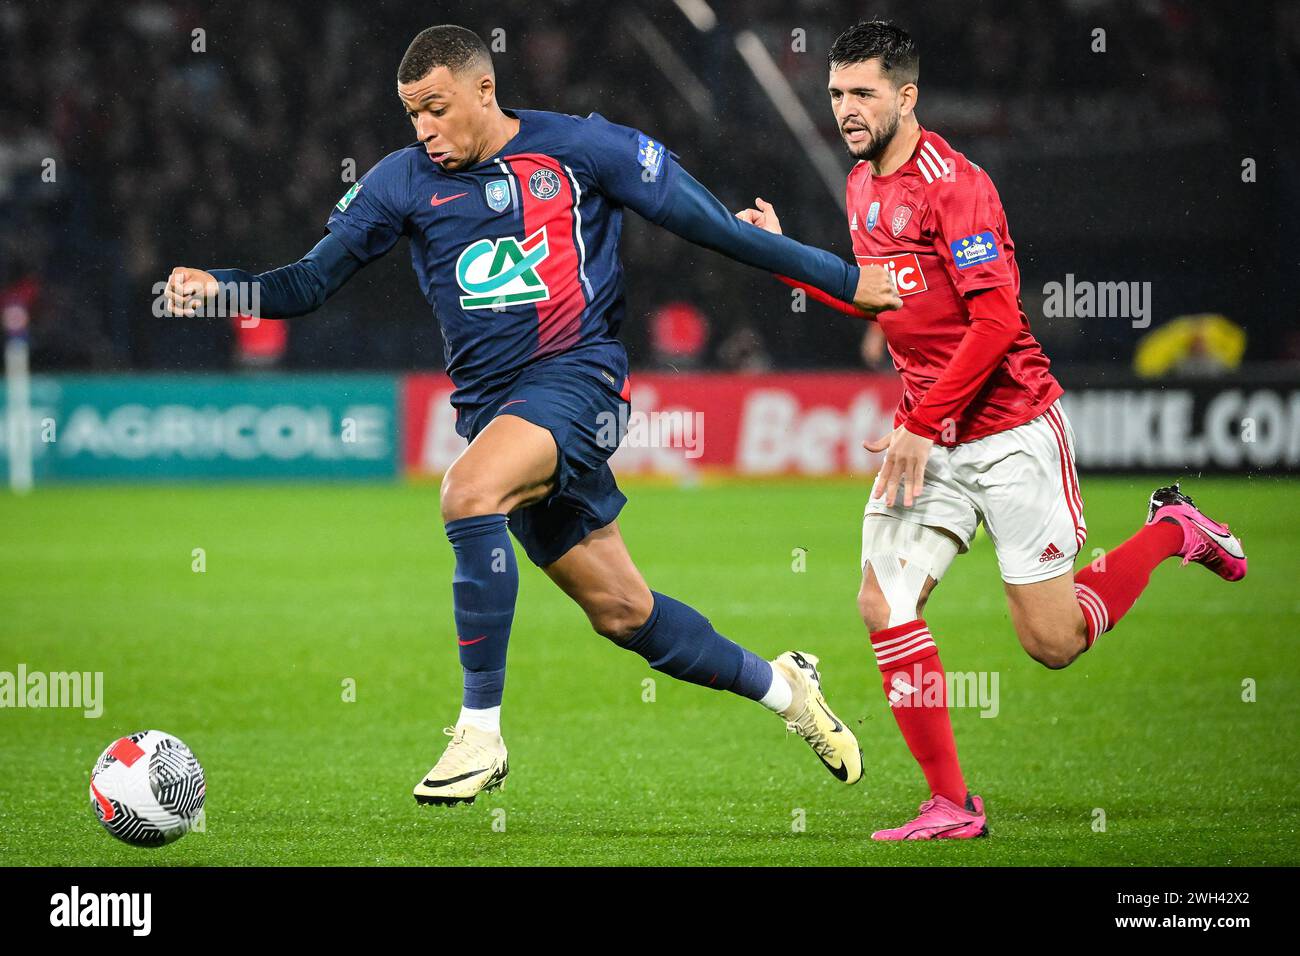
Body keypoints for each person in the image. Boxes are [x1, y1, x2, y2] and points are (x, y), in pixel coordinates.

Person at [164, 24, 904, 805]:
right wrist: (226, 285)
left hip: (580, 382)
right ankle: (787, 690)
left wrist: (846, 280)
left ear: (484, 89)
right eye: (412, 114)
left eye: (436, 109)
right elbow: (308, 285)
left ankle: (479, 734)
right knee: (626, 615)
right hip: (499, 416)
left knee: (465, 494)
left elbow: (715, 230)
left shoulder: (585, 149)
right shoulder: (399, 182)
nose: (423, 130)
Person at [739, 19, 1247, 839]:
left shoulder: (956, 183)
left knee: (1053, 643)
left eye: (863, 92)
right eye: (836, 93)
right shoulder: (862, 185)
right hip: (929, 437)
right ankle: (950, 803)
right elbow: (878, 296)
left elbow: (998, 321)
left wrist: (923, 421)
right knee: (884, 600)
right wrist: (783, 256)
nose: (845, 109)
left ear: (906, 96)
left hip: (1010, 429)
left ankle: (1170, 530)